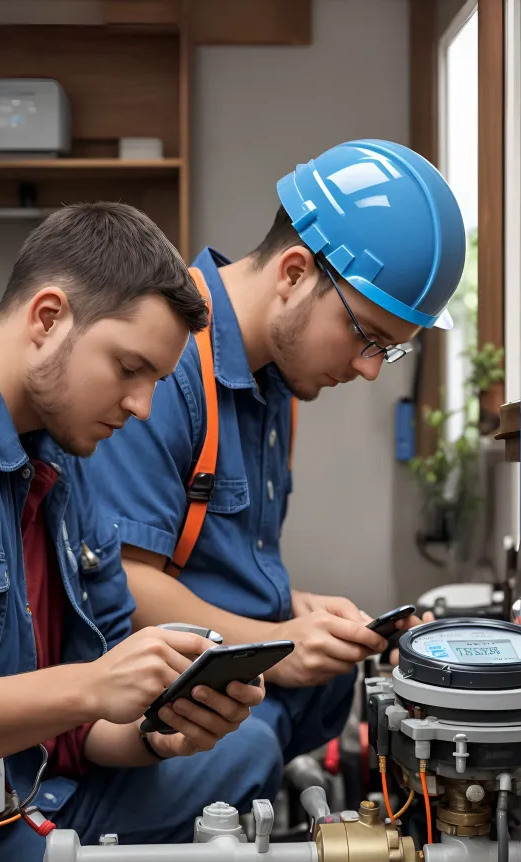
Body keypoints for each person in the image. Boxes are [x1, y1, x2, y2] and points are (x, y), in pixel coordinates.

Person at [0, 203, 282, 862]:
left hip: (30, 784)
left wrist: (159, 726)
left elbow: (86, 727)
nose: (143, 406)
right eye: (129, 367)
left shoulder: (62, 452)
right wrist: (89, 686)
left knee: (250, 747)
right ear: (48, 317)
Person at [85, 139, 466, 763]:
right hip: (137, 707)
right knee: (249, 748)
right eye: (367, 336)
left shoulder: (275, 382)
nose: (371, 370)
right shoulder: (166, 363)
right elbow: (122, 582)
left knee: (336, 690)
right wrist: (280, 640)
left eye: (390, 350)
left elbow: (217, 562)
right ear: (294, 273)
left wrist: (299, 611)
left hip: (229, 681)